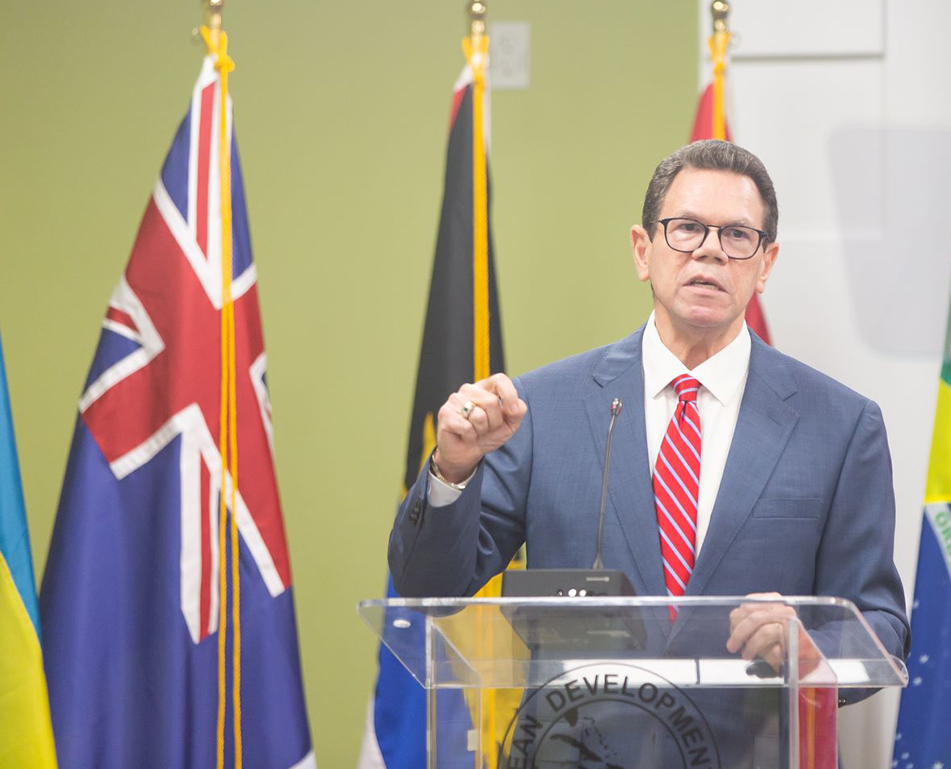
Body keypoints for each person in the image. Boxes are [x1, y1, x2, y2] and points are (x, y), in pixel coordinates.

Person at [388, 139, 909, 680]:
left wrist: (811, 649)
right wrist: (452, 472)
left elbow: (882, 626)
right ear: (643, 250)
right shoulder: (543, 408)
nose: (709, 251)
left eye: (736, 235)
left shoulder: (841, 427)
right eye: (686, 228)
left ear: (765, 264)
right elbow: (429, 589)